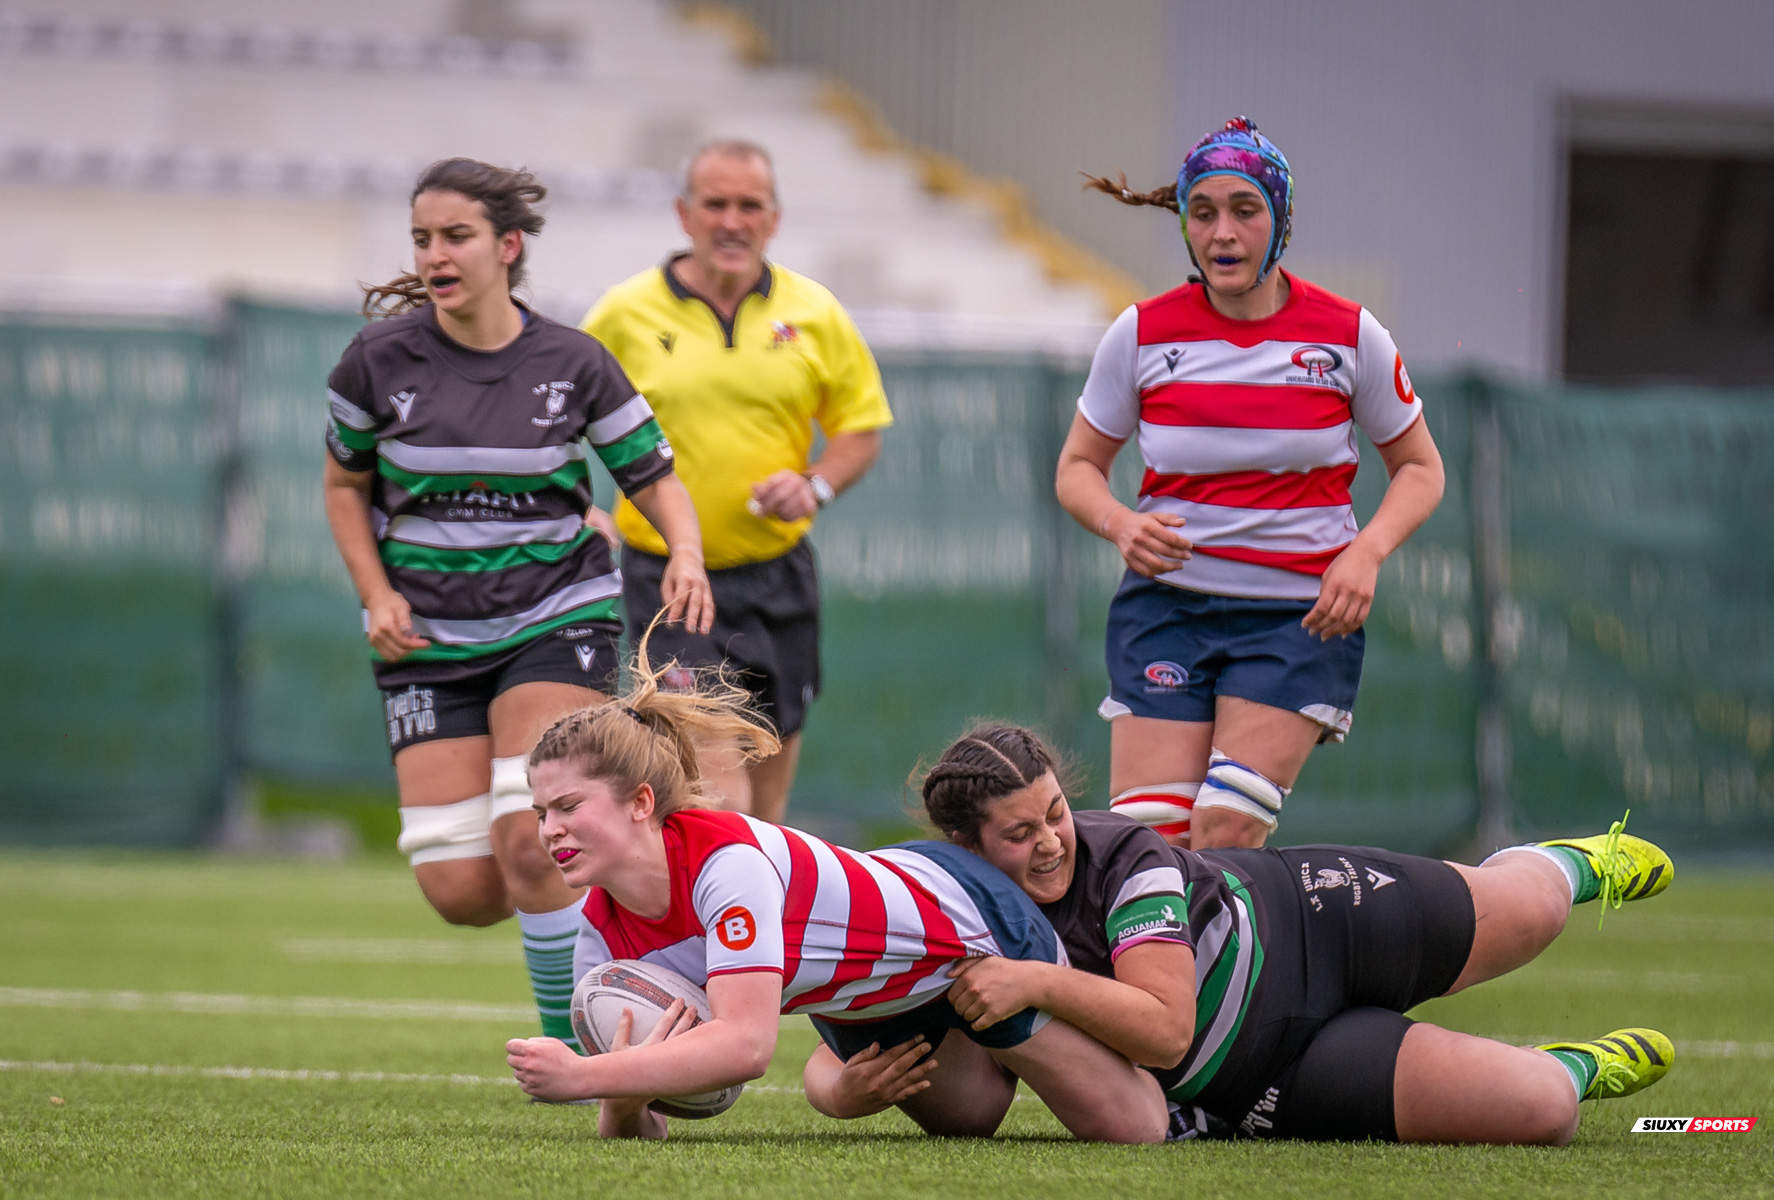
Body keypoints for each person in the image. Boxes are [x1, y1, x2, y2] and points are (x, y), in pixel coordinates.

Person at [811, 725, 1676, 1144]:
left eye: (1055, 812)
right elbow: (836, 1006)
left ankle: (1566, 863)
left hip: (1316, 923)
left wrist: (1034, 981)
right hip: (1268, 1079)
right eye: (1019, 833)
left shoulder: (1126, 858)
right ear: (966, 848)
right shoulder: (939, 903)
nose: (1051, 841)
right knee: (1544, 1111)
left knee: (1531, 916)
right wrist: (837, 1092)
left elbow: (1164, 1027)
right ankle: (1576, 1065)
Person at [322, 157, 714, 1052]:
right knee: (461, 891)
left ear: (507, 246)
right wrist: (375, 593)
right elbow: (343, 486)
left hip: (554, 614)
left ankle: (576, 1047)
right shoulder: (376, 363)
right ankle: (611, 910)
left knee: (537, 840)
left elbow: (653, 478)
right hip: (425, 633)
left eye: (455, 236)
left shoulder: (573, 362)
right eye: (422, 237)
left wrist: (684, 550)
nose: (435, 254)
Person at [502, 643, 1167, 1144]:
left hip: (971, 922)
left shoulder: (725, 864)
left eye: (567, 806)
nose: (548, 830)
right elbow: (634, 1130)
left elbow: (746, 1047)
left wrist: (581, 1076)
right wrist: (621, 1095)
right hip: (870, 1005)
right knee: (971, 1120)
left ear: (641, 803)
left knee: (1137, 1129)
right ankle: (987, 1043)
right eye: (539, 812)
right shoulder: (599, 928)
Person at [1057, 118, 1446, 849]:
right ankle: (1170, 967)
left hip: (1297, 618)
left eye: (1245, 210)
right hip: (1165, 611)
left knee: (1227, 826)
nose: (1222, 233)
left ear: (1281, 220)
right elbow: (1077, 468)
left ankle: (1227, 963)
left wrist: (1366, 553)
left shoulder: (1349, 334)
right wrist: (1120, 522)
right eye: (1203, 213)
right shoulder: (1141, 333)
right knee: (1148, 843)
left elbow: (1422, 470)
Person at [579, 139, 892, 823]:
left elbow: (860, 428)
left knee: (767, 803)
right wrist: (580, 504)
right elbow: (556, 413)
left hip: (778, 576)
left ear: (773, 219)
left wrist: (815, 485)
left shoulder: (815, 313)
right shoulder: (624, 314)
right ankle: (721, 915)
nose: (731, 221)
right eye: (715, 204)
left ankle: (745, 919)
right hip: (669, 578)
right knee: (719, 784)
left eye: (748, 205)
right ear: (683, 214)